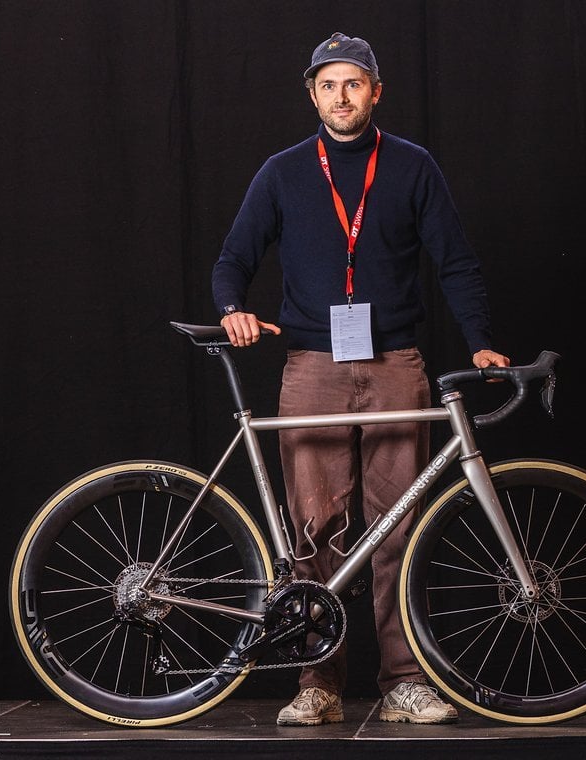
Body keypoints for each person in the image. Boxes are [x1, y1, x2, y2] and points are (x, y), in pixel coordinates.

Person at [212, 31, 509, 726]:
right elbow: (233, 259)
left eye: (353, 83)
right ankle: (317, 684)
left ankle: (404, 680)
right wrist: (232, 311)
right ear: (311, 95)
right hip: (312, 368)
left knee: (397, 529)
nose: (340, 97)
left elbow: (456, 263)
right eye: (327, 85)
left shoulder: (411, 166)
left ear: (376, 91)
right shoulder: (283, 172)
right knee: (313, 532)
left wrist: (483, 343)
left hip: (395, 365)